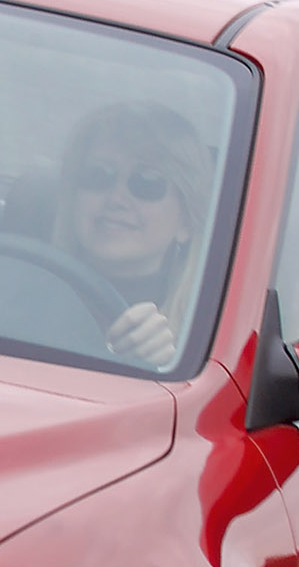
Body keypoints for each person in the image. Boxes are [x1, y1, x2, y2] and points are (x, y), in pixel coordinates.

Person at [53, 102, 213, 368]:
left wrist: (167, 366)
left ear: (186, 220)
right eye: (99, 175)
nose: (117, 198)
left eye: (146, 182)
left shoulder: (207, 341)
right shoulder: (20, 290)